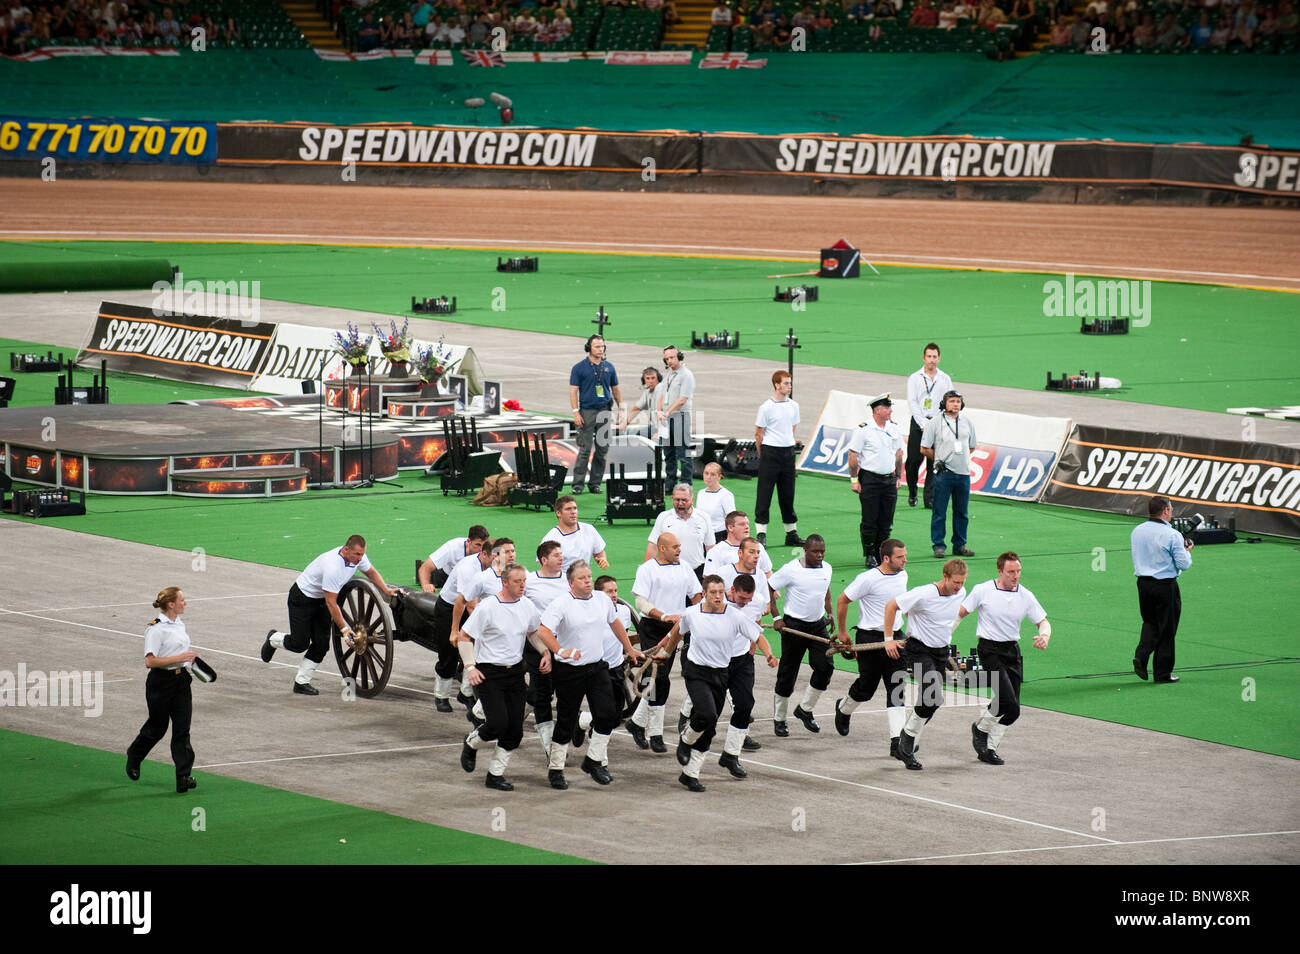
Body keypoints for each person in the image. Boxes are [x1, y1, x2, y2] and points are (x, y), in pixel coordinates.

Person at [655, 575, 768, 791]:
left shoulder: (734, 615)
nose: (718, 596)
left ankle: (690, 774)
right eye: (713, 592)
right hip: (696, 671)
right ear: (704, 594)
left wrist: (769, 654)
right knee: (706, 714)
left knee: (710, 725)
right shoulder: (692, 613)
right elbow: (678, 631)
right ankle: (686, 740)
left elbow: (758, 635)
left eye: (720, 592)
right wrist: (666, 653)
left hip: (721, 673)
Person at [538, 561, 644, 789]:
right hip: (569, 671)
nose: (587, 581)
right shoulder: (562, 604)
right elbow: (543, 630)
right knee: (565, 721)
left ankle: (593, 761)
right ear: (570, 583)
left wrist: (629, 648)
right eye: (582, 578)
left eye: (589, 576)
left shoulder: (602, 599)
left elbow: (614, 622)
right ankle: (556, 769)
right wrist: (560, 650)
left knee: (608, 715)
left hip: (597, 668)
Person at [260, 536, 395, 696]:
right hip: (302, 599)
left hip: (322, 601)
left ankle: (301, 682)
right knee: (299, 644)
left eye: (362, 554)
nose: (360, 559)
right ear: (346, 550)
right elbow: (332, 603)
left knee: (322, 644)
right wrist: (345, 629)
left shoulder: (359, 558)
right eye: (357, 554)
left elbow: (371, 572)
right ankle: (273, 638)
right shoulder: (332, 567)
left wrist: (386, 591)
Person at [953, 551, 1051, 765]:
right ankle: (981, 732)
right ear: (1000, 571)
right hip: (989, 650)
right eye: (1010, 572)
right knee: (1007, 700)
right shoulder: (983, 590)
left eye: (1018, 571)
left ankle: (987, 744)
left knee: (1013, 711)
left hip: (1012, 652)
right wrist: (944, 636)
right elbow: (959, 614)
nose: (1015, 576)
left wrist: (1044, 636)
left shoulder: (1026, 595)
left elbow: (1043, 622)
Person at [458, 564, 549, 791]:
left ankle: (495, 774)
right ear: (504, 582)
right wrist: (470, 667)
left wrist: (544, 652)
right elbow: (464, 636)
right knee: (498, 723)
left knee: (515, 731)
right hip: (490, 673)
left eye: (524, 581)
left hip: (516, 672)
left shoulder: (527, 605)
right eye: (517, 582)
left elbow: (533, 632)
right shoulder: (488, 607)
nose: (522, 585)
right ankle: (471, 743)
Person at [883, 558, 968, 770]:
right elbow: (892, 606)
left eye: (962, 582)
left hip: (940, 652)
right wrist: (888, 639)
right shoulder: (924, 593)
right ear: (945, 576)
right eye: (955, 582)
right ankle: (908, 741)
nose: (958, 587)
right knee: (931, 693)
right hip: (919, 649)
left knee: (934, 700)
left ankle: (906, 735)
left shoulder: (962, 592)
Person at [832, 539, 910, 757]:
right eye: (900, 556)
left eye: (905, 555)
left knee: (897, 688)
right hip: (869, 639)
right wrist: (842, 631)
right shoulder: (867, 579)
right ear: (886, 558)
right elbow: (842, 600)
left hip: (896, 639)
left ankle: (898, 743)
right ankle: (843, 709)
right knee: (866, 688)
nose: (905, 560)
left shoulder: (903, 574)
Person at [626, 532, 703, 752]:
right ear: (662, 549)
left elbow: (696, 594)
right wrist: (663, 616)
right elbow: (640, 601)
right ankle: (655, 733)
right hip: (653, 627)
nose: (680, 550)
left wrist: (694, 616)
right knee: (658, 679)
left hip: (676, 628)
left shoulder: (685, 567)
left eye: (680, 546)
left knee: (659, 679)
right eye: (675, 547)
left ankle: (637, 723)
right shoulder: (647, 570)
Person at [127, 587, 199, 793]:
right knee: (158, 727)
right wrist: (179, 658)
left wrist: (190, 659)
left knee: (182, 729)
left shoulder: (179, 624)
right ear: (171, 604)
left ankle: (183, 776)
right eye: (182, 600)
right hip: (160, 682)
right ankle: (135, 755)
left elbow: (179, 652)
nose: (185, 603)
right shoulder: (155, 628)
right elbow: (150, 661)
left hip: (181, 681)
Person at [767, 533, 834, 736]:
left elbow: (826, 589)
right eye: (815, 551)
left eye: (822, 551)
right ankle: (779, 719)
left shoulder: (828, 568)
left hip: (818, 626)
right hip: (794, 627)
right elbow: (769, 587)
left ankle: (805, 709)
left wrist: (829, 612)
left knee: (825, 668)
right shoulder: (792, 569)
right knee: (788, 674)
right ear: (805, 550)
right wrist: (776, 616)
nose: (820, 555)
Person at [1131, 495, 1192, 684]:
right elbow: (1183, 563)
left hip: (1143, 583)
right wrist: (1187, 552)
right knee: (1167, 629)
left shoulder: (1137, 531)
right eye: (1171, 509)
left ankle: (1141, 655)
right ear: (1165, 510)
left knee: (1150, 622)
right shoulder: (1172, 535)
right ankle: (1162, 673)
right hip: (1165, 585)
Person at [430, 542, 496, 711]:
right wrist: (455, 631)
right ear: (484, 554)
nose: (498, 560)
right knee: (449, 653)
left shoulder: (497, 568)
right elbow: (467, 605)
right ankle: (441, 696)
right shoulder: (468, 568)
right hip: (450, 607)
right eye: (494, 557)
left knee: (475, 650)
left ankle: (466, 693)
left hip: (475, 608)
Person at [847, 394, 905, 569]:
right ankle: (870, 554)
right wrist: (854, 480)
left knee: (887, 521)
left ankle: (883, 554)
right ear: (877, 410)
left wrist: (898, 476)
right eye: (887, 408)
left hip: (889, 479)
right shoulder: (864, 429)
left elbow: (899, 454)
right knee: (870, 519)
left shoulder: (894, 428)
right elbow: (853, 455)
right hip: (870, 478)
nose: (890, 411)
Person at [524, 541, 569, 758]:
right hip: (537, 644)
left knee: (560, 691)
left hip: (563, 645)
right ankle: (551, 747)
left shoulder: (570, 580)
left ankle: (517, 712)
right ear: (544, 560)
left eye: (562, 555)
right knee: (543, 695)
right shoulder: (530, 582)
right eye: (556, 555)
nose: (561, 558)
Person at [921, 391, 977, 560]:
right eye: (952, 401)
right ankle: (938, 545)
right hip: (944, 474)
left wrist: (961, 458)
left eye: (958, 401)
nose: (955, 404)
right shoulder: (935, 422)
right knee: (939, 511)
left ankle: (960, 544)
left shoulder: (967, 422)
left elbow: (972, 446)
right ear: (944, 404)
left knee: (962, 512)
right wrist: (939, 459)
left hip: (963, 474)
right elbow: (924, 448)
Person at [753, 370, 805, 547]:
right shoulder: (766, 407)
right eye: (785, 383)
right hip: (770, 452)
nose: (789, 386)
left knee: (788, 494)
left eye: (790, 383)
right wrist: (764, 454)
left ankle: (791, 533)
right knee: (764, 494)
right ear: (777, 385)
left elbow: (792, 428)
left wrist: (788, 442)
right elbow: (758, 434)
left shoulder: (794, 406)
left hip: (787, 453)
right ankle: (761, 533)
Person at [568, 334, 622, 495]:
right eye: (597, 346)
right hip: (587, 411)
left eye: (602, 346)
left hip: (605, 410)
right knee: (585, 448)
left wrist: (622, 409)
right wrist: (575, 412)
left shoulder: (609, 367)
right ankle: (578, 484)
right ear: (589, 348)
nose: (600, 349)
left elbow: (616, 389)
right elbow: (573, 391)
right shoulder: (579, 368)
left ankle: (595, 483)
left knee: (602, 449)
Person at [905, 343, 952, 509]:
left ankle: (929, 498)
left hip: (938, 423)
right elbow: (912, 402)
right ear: (923, 358)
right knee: (913, 461)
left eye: (934, 357)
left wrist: (942, 422)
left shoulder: (945, 378)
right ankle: (912, 491)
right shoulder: (915, 378)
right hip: (919, 423)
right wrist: (923, 423)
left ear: (939, 358)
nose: (932, 360)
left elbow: (949, 401)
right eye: (929, 357)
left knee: (934, 462)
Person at [645, 482, 712, 579]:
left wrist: (710, 575)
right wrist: (647, 571)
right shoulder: (663, 517)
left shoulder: (704, 517)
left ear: (692, 500)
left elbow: (710, 548)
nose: (680, 503)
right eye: (677, 500)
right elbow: (653, 546)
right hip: (669, 572)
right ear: (672, 498)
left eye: (684, 500)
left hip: (697, 572)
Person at [541, 495, 609, 575]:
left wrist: (602, 559)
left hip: (584, 580)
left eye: (575, 508)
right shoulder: (550, 539)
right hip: (562, 583)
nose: (573, 512)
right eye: (568, 509)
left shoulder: (589, 529)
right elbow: (545, 566)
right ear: (558, 513)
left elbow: (599, 552)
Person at [659, 346, 696, 486]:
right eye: (667, 358)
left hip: (680, 416)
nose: (669, 361)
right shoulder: (669, 374)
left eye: (672, 358)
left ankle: (686, 482)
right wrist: (660, 411)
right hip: (667, 418)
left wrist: (667, 412)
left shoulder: (686, 375)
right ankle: (670, 482)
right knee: (668, 453)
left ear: (679, 357)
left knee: (683, 452)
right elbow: (663, 394)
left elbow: (682, 399)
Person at [419, 525, 490, 592]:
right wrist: (426, 586)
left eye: (484, 545)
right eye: (478, 545)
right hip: (447, 577)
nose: (481, 549)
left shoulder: (487, 550)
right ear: (469, 541)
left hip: (473, 578)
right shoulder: (452, 547)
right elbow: (425, 567)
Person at [703, 509, 774, 576]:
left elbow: (767, 572)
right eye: (742, 524)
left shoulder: (757, 546)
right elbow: (710, 580)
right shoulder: (717, 551)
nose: (747, 527)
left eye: (747, 524)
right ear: (730, 528)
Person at [695, 461, 736, 543]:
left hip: (719, 537)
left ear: (719, 477)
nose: (708, 477)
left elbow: (732, 519)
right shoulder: (701, 493)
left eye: (713, 474)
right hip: (702, 535)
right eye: (706, 473)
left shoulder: (726, 495)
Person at [621, 366, 662, 439]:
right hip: (654, 427)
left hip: (664, 430)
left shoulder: (660, 389)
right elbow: (637, 408)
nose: (650, 381)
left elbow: (664, 414)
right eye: (648, 378)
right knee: (627, 433)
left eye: (653, 378)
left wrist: (660, 432)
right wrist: (624, 424)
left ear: (658, 379)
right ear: (644, 381)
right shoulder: (648, 392)